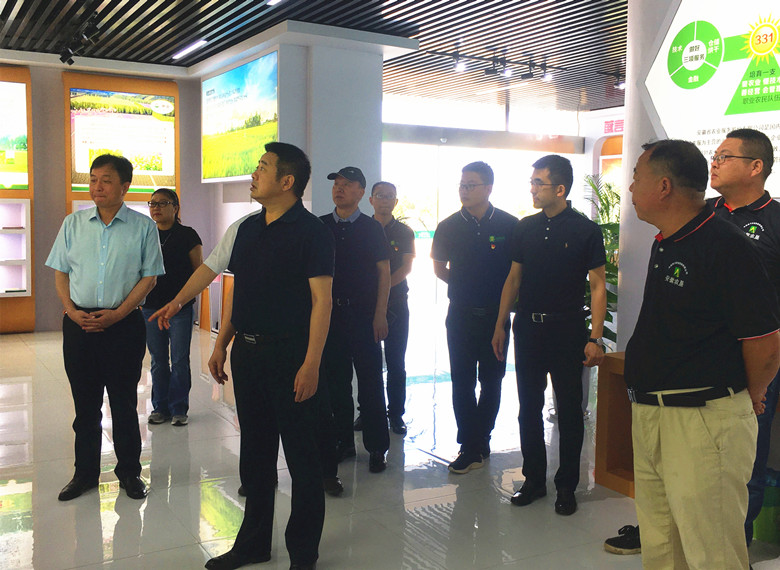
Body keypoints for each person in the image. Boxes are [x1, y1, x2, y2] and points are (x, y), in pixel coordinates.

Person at [604, 128, 779, 555]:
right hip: (653, 410)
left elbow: (764, 341)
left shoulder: (727, 244)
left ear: (664, 186)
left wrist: (751, 393)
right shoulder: (669, 238)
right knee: (663, 544)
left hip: (702, 417)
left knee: (712, 550)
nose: (630, 188)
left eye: (636, 178)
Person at [204, 142, 333, 570]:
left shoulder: (312, 232)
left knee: (302, 458)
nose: (254, 174)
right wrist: (222, 343)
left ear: (287, 181)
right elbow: (239, 292)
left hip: (292, 355)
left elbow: (322, 302)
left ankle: (303, 554)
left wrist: (311, 363)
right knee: (255, 455)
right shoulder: (247, 229)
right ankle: (253, 544)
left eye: (262, 167)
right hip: (249, 354)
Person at [492, 154, 606, 516]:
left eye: (538, 183)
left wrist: (595, 337)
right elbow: (513, 278)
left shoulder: (586, 230)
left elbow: (598, 286)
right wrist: (500, 325)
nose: (532, 189)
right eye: (531, 182)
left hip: (568, 329)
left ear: (559, 188)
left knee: (570, 410)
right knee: (528, 407)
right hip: (528, 328)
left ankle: (567, 485)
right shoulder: (525, 227)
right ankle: (534, 480)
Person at [45, 154, 164, 501]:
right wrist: (70, 311)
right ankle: (84, 474)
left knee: (124, 404)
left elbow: (149, 278)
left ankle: (129, 473)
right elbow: (61, 271)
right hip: (79, 324)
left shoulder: (143, 227)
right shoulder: (73, 224)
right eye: (93, 179)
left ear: (125, 186)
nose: (97, 186)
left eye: (106, 180)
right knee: (85, 406)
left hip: (123, 325)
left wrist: (119, 314)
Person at [432, 161, 518, 474]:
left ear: (488, 188)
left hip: (497, 318)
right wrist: (464, 286)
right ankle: (469, 445)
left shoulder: (510, 225)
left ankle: (483, 437)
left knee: (492, 381)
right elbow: (439, 268)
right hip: (460, 316)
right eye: (462, 185)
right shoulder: (448, 226)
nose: (464, 191)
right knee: (462, 381)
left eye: (471, 185)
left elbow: (517, 274)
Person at [319, 166, 391, 473]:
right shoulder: (321, 226)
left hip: (364, 317)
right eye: (337, 183)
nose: (339, 188)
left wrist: (380, 314)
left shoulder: (371, 228)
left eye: (347, 184)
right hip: (330, 316)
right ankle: (343, 442)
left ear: (361, 192)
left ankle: (376, 447)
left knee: (371, 383)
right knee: (336, 383)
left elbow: (384, 273)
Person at [356, 181, 415, 435]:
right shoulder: (361, 229)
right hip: (365, 305)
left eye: (390, 196)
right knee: (366, 363)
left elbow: (406, 267)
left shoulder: (404, 232)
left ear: (396, 201)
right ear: (370, 200)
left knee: (396, 362)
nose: (385, 200)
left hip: (396, 305)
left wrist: (384, 287)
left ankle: (396, 414)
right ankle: (367, 412)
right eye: (380, 195)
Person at [140, 188, 202, 427]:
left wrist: (183, 300)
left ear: (175, 208)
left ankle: (178, 408)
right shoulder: (147, 235)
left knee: (179, 359)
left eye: (162, 203)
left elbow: (199, 272)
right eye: (152, 203)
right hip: (151, 308)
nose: (155, 208)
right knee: (157, 360)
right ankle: (160, 408)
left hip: (180, 308)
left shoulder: (188, 235)